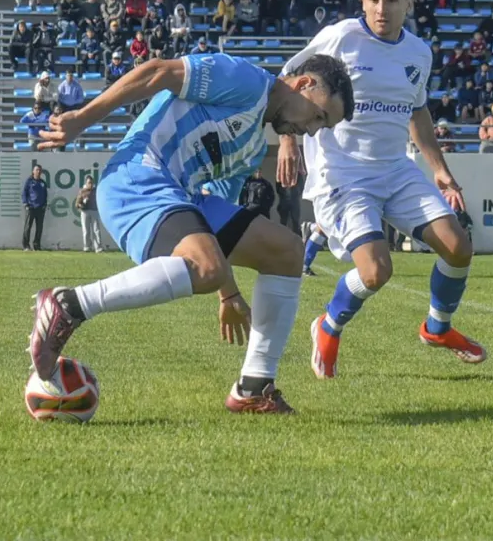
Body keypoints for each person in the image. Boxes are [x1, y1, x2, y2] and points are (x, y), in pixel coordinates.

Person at [26, 51, 354, 414]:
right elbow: (157, 72)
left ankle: (254, 388)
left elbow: (216, 237)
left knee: (286, 251)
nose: (310, 129)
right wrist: (83, 118)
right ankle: (69, 305)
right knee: (208, 266)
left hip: (180, 195)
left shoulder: (252, 148)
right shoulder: (248, 81)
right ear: (303, 84)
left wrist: (227, 294)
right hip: (136, 177)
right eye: (318, 116)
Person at [276, 0, 483, 381]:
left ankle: (436, 329)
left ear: (409, 2)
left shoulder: (419, 53)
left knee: (458, 247)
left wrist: (439, 169)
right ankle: (328, 326)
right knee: (375, 271)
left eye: (391, 0)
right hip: (344, 175)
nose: (381, 8)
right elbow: (287, 78)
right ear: (363, 1)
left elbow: (418, 113)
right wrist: (287, 139)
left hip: (396, 168)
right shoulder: (340, 37)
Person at [22, 164, 48, 252]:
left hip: (40, 208)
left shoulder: (43, 183)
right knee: (28, 227)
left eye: (40, 170)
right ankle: (26, 245)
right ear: (33, 171)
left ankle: (37, 245)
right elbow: (24, 193)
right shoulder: (29, 181)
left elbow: (45, 195)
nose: (38, 171)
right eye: (37, 170)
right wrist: (25, 204)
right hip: (31, 207)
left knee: (39, 228)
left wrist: (44, 205)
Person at [75, 175, 102, 253]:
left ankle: (98, 248)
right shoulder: (82, 191)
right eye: (88, 183)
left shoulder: (96, 190)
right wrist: (82, 203)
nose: (90, 184)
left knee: (96, 230)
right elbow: (77, 204)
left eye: (91, 183)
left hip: (94, 211)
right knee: (86, 231)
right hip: (85, 212)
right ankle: (87, 247)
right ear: (86, 183)